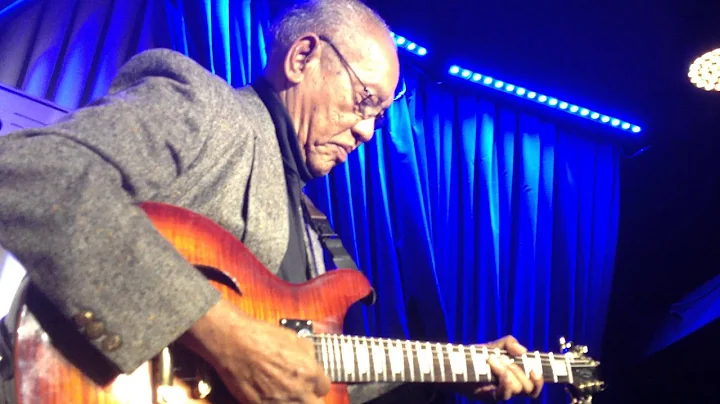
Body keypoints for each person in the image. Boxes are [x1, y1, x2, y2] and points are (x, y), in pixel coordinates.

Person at [0, 0, 544, 403]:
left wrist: (462, 366)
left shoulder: (312, 228)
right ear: (303, 56)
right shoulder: (207, 110)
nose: (368, 132)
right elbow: (30, 174)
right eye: (363, 102)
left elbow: (303, 373)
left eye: (380, 115)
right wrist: (223, 334)